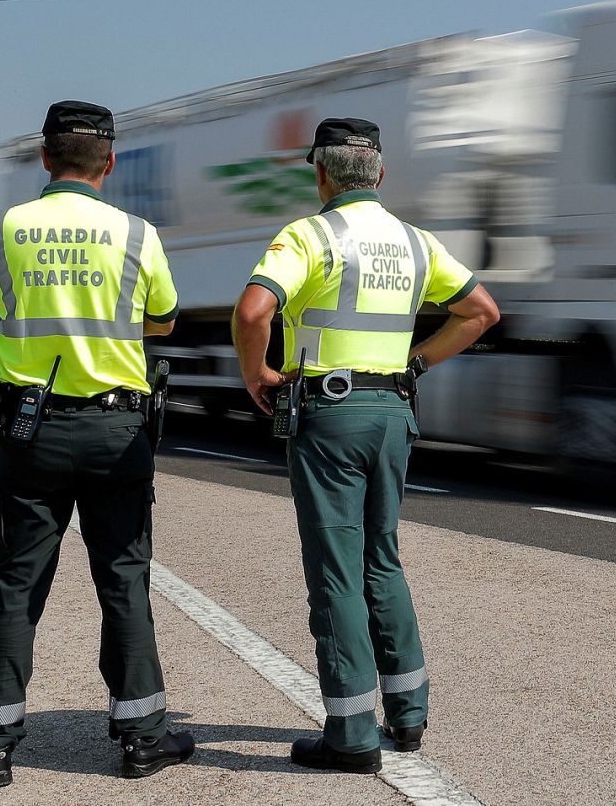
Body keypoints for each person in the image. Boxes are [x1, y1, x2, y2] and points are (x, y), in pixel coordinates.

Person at [232, 118, 499, 773]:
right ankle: (407, 718)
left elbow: (251, 312)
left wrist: (257, 375)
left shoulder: (309, 236)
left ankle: (350, 735)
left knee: (336, 571)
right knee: (382, 559)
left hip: (330, 413)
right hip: (392, 413)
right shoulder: (414, 244)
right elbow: (482, 312)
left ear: (319, 173)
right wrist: (417, 363)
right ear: (379, 174)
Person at [0, 100, 194, 788]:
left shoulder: (3, 228)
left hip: (31, 431)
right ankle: (143, 739)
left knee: (18, 584)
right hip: (118, 432)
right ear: (109, 164)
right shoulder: (138, 234)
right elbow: (165, 321)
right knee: (123, 580)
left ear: (45, 158)